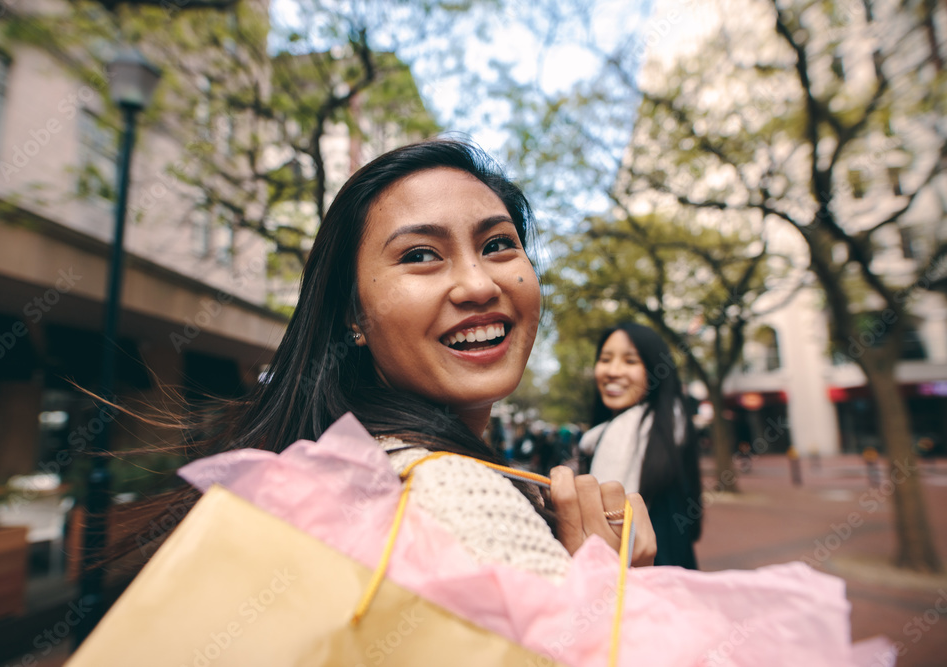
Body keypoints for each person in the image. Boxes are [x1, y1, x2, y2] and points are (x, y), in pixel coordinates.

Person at [113, 139, 656, 584]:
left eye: (497, 245)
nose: (477, 284)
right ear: (353, 314)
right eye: (421, 255)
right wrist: (608, 588)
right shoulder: (456, 497)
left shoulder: (348, 470)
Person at [578, 322, 702, 569]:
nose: (613, 371)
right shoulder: (599, 437)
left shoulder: (665, 438)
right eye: (605, 359)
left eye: (630, 361)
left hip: (652, 589)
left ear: (655, 369)